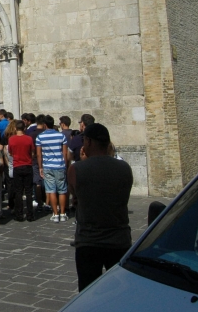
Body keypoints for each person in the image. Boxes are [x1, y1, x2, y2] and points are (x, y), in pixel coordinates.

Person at [68, 123, 133, 291]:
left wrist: (84, 161)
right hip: (119, 239)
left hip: (89, 241)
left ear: (88, 142)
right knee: (119, 292)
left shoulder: (77, 169)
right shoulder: (124, 168)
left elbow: (76, 198)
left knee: (89, 291)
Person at [36, 115, 69, 222]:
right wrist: (64, 164)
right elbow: (64, 152)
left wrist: (40, 167)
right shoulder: (61, 136)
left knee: (51, 190)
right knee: (62, 190)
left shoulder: (40, 137)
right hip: (59, 165)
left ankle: (55, 214)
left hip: (47, 165)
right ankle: (63, 213)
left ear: (45, 125)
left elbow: (39, 154)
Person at [8, 120, 36, 222]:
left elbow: (10, 153)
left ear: (15, 128)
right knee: (28, 192)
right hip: (27, 165)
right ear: (24, 129)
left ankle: (19, 214)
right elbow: (32, 152)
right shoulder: (29, 139)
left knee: (18, 191)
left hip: (17, 166)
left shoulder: (11, 139)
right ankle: (30, 215)